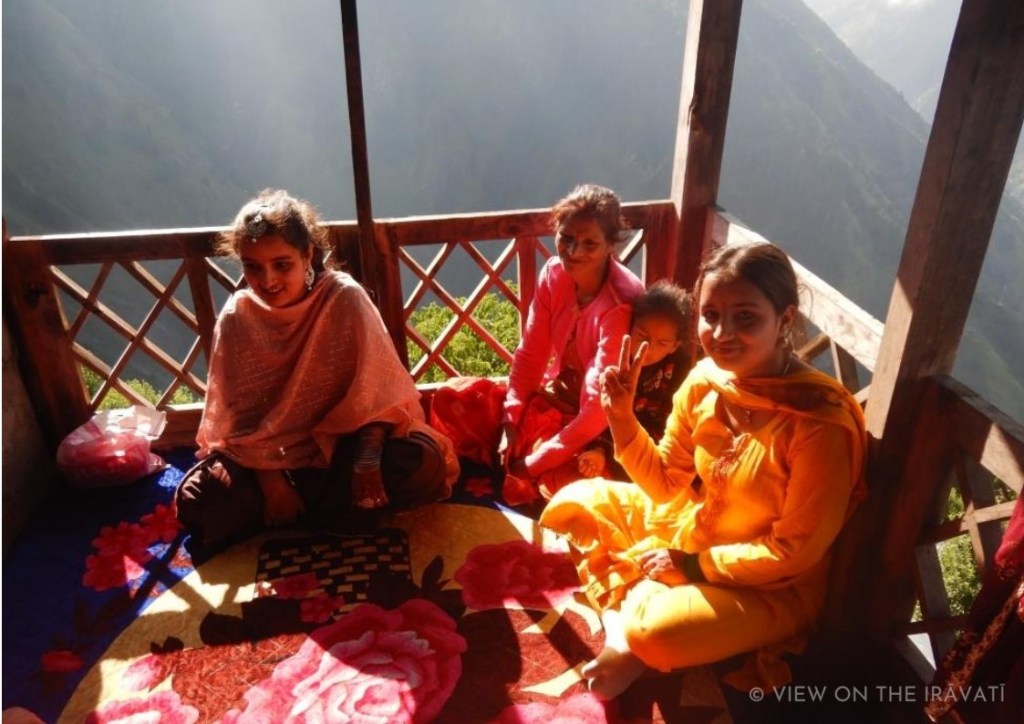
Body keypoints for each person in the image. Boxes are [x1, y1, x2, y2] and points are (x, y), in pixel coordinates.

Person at [540, 241, 867, 700]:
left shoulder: (818, 423)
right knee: (573, 502)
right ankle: (622, 628)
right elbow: (665, 483)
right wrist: (621, 415)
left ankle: (633, 628)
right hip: (695, 529)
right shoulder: (706, 381)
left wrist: (694, 567)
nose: (722, 332)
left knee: (656, 631)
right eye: (710, 315)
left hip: (771, 584)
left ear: (785, 320)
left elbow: (794, 550)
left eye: (745, 317)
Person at [176, 189, 459, 548]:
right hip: (268, 462)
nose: (268, 281)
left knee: (422, 463)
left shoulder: (343, 297)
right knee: (202, 500)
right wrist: (273, 486)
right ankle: (320, 509)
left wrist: (366, 460)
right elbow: (239, 420)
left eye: (282, 264)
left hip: (341, 456)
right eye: (252, 267)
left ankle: (308, 510)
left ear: (307, 254)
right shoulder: (237, 318)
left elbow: (380, 396)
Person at [499, 184, 645, 504]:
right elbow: (531, 354)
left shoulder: (621, 304)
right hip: (561, 398)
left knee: (575, 484)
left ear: (610, 245)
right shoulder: (554, 275)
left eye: (590, 243)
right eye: (566, 238)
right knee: (461, 401)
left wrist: (534, 463)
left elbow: (598, 408)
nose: (574, 251)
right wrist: (510, 420)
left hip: (602, 427)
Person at [576, 279, 692, 480]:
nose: (647, 348)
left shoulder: (680, 365)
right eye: (641, 335)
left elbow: (674, 414)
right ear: (631, 326)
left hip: (655, 430)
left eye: (662, 343)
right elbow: (600, 409)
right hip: (614, 425)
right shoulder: (616, 357)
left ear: (675, 346)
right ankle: (601, 453)